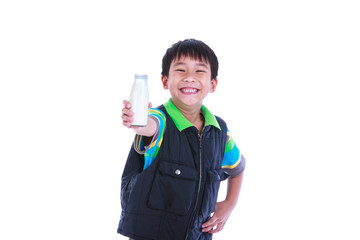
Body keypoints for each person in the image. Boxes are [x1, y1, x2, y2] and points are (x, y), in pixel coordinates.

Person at [118, 39, 246, 240]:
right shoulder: (160, 119)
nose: (189, 78)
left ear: (212, 84)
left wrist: (229, 204)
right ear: (165, 81)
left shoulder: (219, 130)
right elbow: (150, 125)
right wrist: (137, 121)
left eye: (199, 71)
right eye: (180, 70)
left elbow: (237, 169)